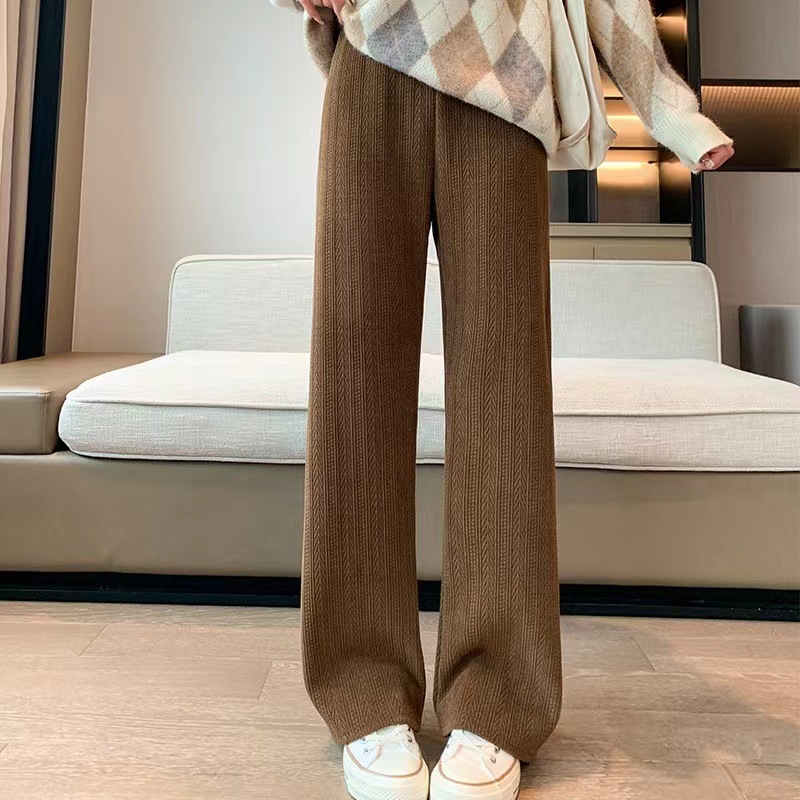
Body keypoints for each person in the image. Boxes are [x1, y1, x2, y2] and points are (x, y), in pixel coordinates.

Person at [269, 2, 734, 799]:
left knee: (505, 392)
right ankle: (361, 687)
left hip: (506, 74)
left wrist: (672, 111)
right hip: (374, 56)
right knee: (354, 376)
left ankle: (499, 700)